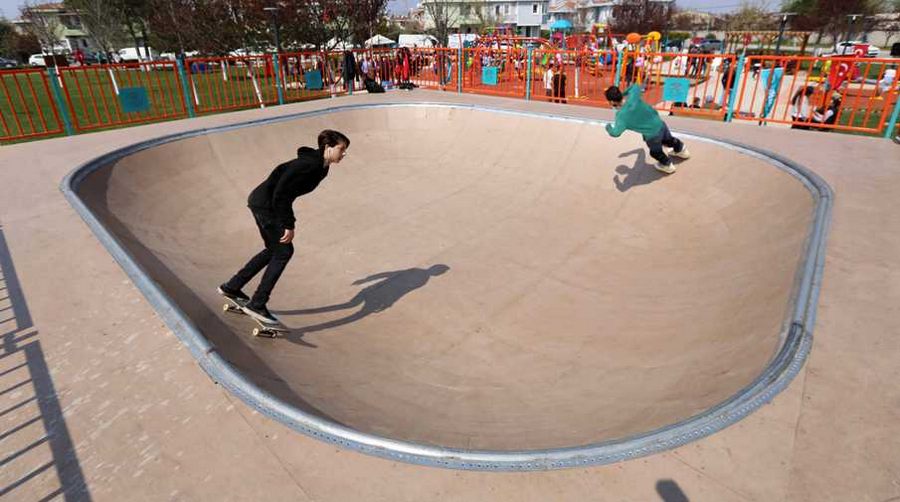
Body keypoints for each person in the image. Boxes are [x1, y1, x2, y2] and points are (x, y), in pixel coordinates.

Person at [218, 130, 351, 324]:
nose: (344, 154)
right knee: (284, 252)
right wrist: (288, 224)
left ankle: (232, 286)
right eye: (342, 149)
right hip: (266, 204)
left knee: (273, 249)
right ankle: (257, 303)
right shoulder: (309, 164)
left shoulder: (321, 166)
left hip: (263, 202)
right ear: (328, 148)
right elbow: (282, 193)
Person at [604, 85, 691, 174]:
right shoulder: (633, 97)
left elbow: (615, 133)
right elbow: (635, 87)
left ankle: (667, 165)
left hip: (652, 136)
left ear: (611, 102)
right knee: (668, 140)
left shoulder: (621, 116)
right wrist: (622, 94)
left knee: (655, 152)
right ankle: (682, 150)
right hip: (660, 124)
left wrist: (608, 127)